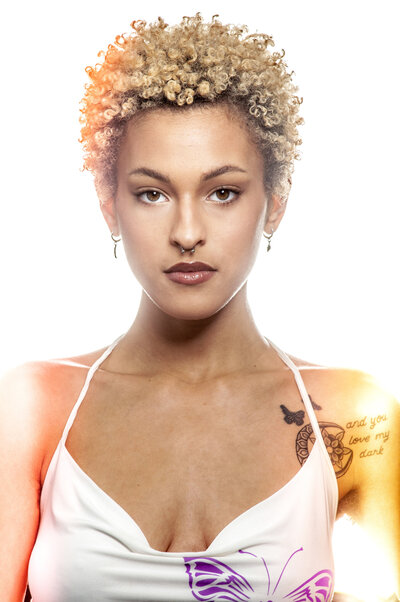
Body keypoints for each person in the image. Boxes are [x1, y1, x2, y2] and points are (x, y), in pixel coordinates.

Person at [1, 12, 398, 602]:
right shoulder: (36, 405)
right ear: (110, 207)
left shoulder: (355, 414)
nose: (187, 231)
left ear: (275, 204)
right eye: (152, 193)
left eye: (223, 192)